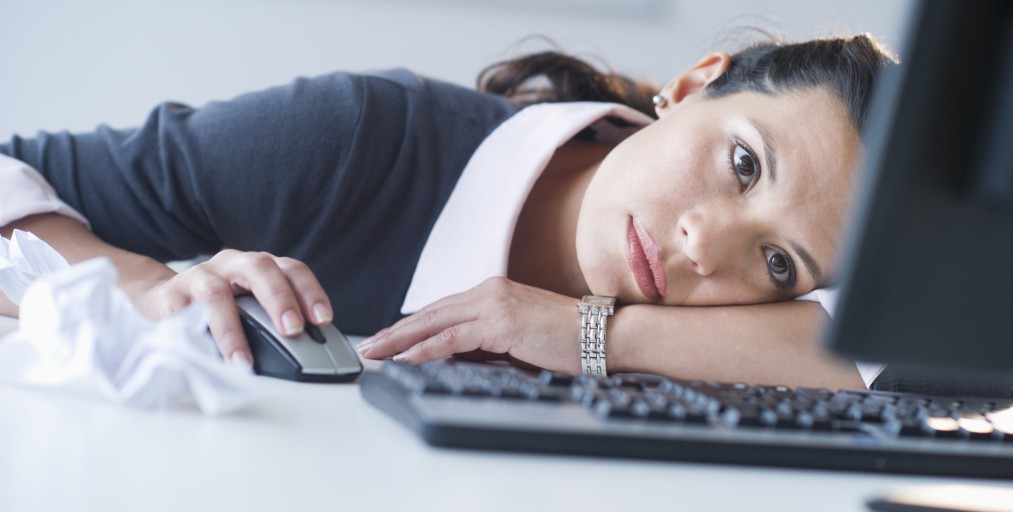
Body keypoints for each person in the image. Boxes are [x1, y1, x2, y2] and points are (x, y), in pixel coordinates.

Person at [0, 33, 896, 390]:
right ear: (694, 83)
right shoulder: (353, 140)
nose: (708, 248)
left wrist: (588, 335)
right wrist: (150, 284)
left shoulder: (742, 340)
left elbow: (957, 375)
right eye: (742, 164)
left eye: (778, 262)